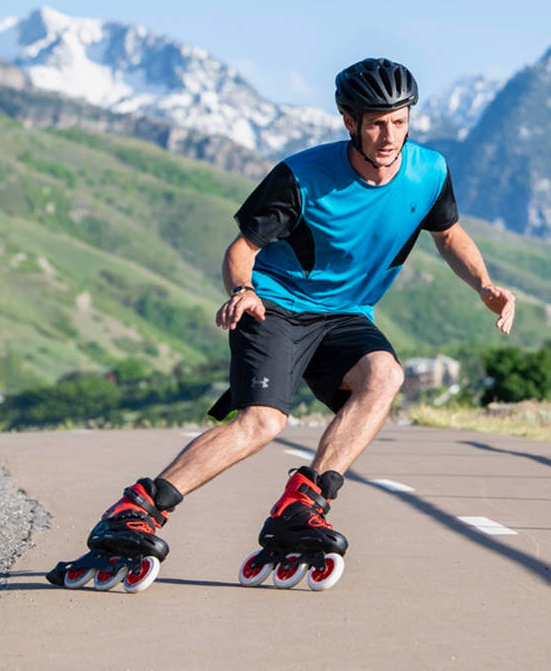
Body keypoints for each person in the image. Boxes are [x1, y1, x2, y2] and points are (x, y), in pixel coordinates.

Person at [49, 57, 515, 590]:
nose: (390, 135)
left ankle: (305, 503)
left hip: (346, 314)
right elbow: (241, 249)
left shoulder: (429, 171)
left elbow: (449, 233)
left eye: (400, 121)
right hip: (274, 304)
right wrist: (242, 291)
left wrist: (484, 284)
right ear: (350, 122)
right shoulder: (302, 177)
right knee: (263, 424)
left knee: (384, 376)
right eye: (376, 123)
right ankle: (139, 510)